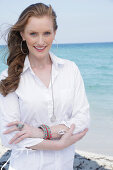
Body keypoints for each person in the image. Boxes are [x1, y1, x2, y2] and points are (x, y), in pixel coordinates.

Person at [0, 3, 90, 170]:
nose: (41, 41)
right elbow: (10, 136)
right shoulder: (8, 78)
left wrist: (43, 132)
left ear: (55, 33)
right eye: (33, 33)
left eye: (46, 33)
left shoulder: (70, 70)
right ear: (23, 35)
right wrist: (58, 144)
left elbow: (82, 120)